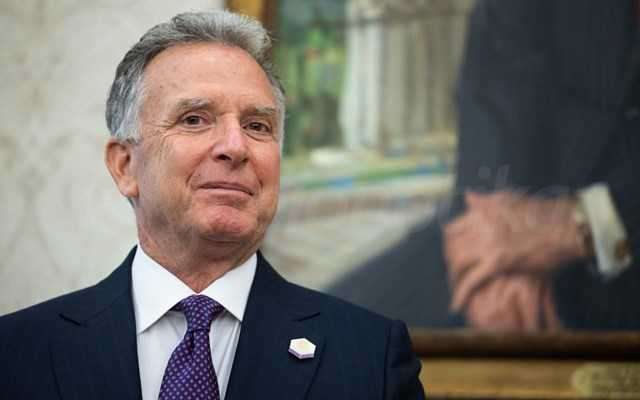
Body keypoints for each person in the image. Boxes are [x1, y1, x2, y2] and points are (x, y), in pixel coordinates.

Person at [0, 11, 425, 400]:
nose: (235, 147)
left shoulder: (371, 358)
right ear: (125, 165)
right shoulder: (17, 352)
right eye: (194, 119)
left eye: (257, 125)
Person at [332, 0, 640, 332]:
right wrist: (492, 261)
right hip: (513, 230)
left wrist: (589, 225)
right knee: (326, 335)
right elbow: (494, 83)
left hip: (624, 255)